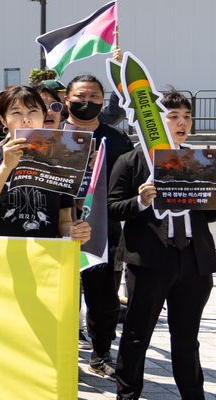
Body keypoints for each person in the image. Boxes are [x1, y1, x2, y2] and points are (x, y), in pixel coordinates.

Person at [110, 91, 214, 399]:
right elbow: (113, 206)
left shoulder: (199, 160)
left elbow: (209, 214)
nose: (182, 122)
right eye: (173, 116)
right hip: (150, 261)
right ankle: (127, 394)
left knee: (187, 337)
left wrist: (211, 194)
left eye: (186, 117)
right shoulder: (132, 160)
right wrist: (141, 201)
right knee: (136, 334)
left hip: (194, 260)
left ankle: (193, 394)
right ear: (155, 121)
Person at [62, 72, 135, 377]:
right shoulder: (51, 134)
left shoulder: (117, 139)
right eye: (80, 96)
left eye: (93, 97)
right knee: (61, 295)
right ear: (67, 99)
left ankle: (100, 353)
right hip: (58, 227)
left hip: (105, 230)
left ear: (103, 100)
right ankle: (60, 351)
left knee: (103, 298)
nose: (86, 102)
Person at [0, 85, 91, 241]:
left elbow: (64, 220)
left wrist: (72, 232)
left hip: (44, 257)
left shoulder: (61, 160)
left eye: (33, 111)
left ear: (43, 116)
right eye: (16, 112)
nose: (26, 119)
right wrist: (6, 166)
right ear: (3, 120)